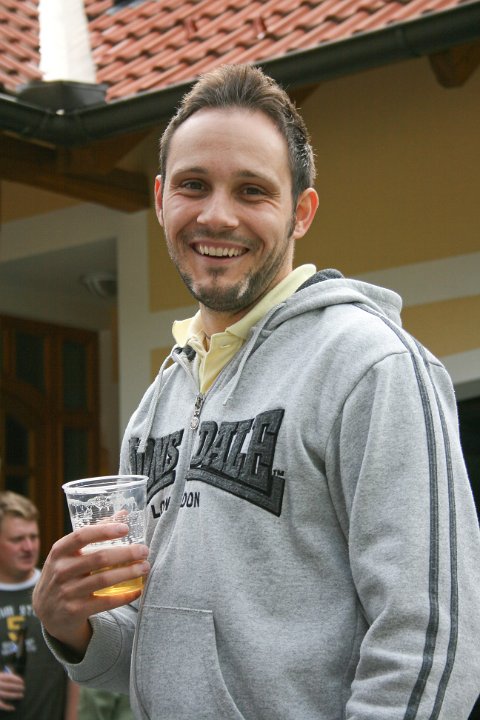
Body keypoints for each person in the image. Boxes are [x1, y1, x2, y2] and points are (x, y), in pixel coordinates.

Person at [33, 64, 480, 719]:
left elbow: (433, 642)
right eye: (193, 185)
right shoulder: (159, 403)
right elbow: (153, 653)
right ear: (160, 199)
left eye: (252, 191)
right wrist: (71, 623)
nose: (217, 216)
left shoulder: (371, 366)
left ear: (301, 212)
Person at [0, 491, 78, 720]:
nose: (28, 547)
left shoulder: (57, 588)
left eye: (33, 537)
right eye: (17, 539)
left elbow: (77, 665)